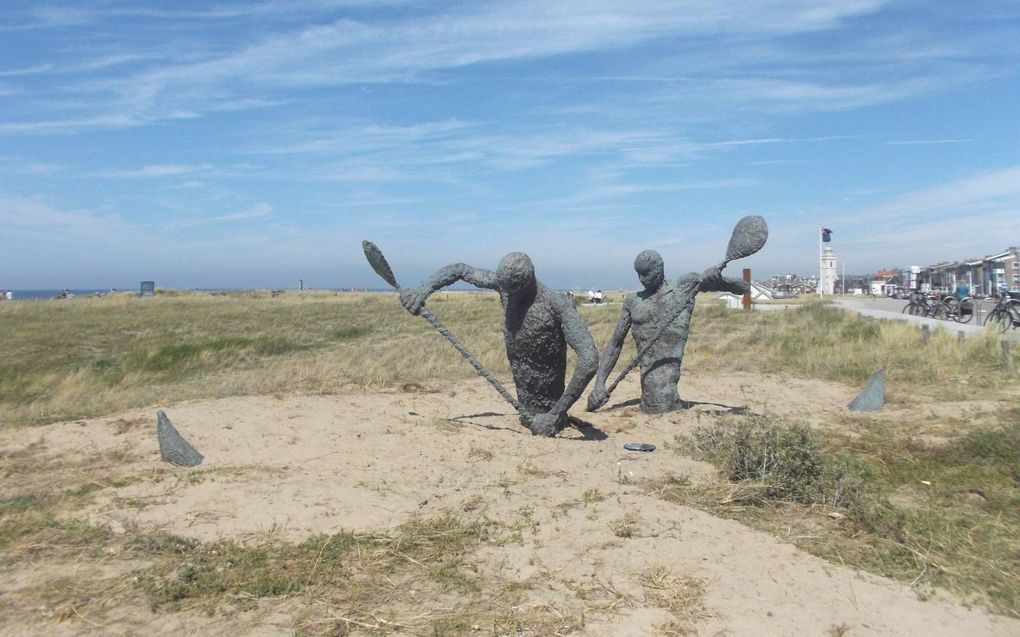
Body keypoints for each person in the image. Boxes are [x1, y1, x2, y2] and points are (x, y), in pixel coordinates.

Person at [400, 252, 598, 437]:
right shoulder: (504, 286)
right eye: (505, 290)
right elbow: (460, 270)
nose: (508, 298)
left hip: (551, 414)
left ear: (527, 285)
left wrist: (554, 415)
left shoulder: (556, 305)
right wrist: (421, 292)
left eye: (514, 293)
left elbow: (589, 359)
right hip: (525, 411)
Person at [587, 249, 748, 414]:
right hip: (647, 397)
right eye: (639, 274)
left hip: (668, 398)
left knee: (661, 402)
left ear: (660, 269)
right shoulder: (632, 301)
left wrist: (718, 280)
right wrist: (599, 384)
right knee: (653, 402)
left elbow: (744, 288)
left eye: (647, 274)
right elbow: (615, 343)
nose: (643, 279)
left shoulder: (684, 288)